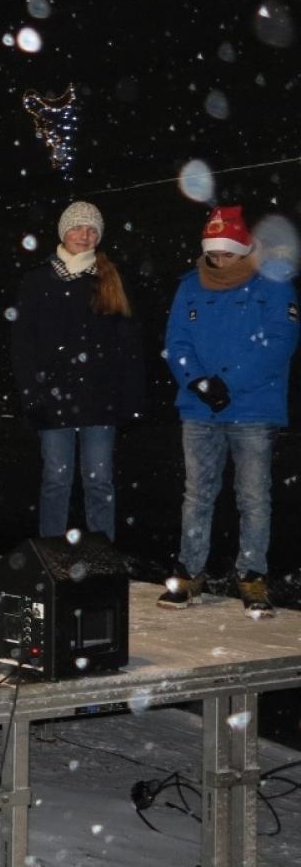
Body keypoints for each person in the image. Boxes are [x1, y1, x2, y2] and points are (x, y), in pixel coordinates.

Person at [161, 206, 297, 616]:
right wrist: (197, 381)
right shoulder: (189, 286)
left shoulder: (274, 284)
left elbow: (279, 342)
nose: (220, 261)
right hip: (199, 408)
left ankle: (253, 576)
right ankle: (189, 573)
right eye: (214, 254)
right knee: (196, 495)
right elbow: (177, 341)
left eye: (228, 255)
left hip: (252, 409)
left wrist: (228, 383)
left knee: (254, 497)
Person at [10, 201, 142, 542]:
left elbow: (128, 346)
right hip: (52, 401)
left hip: (100, 402)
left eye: (91, 229)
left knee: (99, 482)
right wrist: (31, 395)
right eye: (77, 228)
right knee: (56, 480)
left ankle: (103, 558)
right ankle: (52, 554)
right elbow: (23, 345)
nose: (84, 235)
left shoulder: (110, 279)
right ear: (62, 233)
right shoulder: (37, 281)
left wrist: (129, 399)